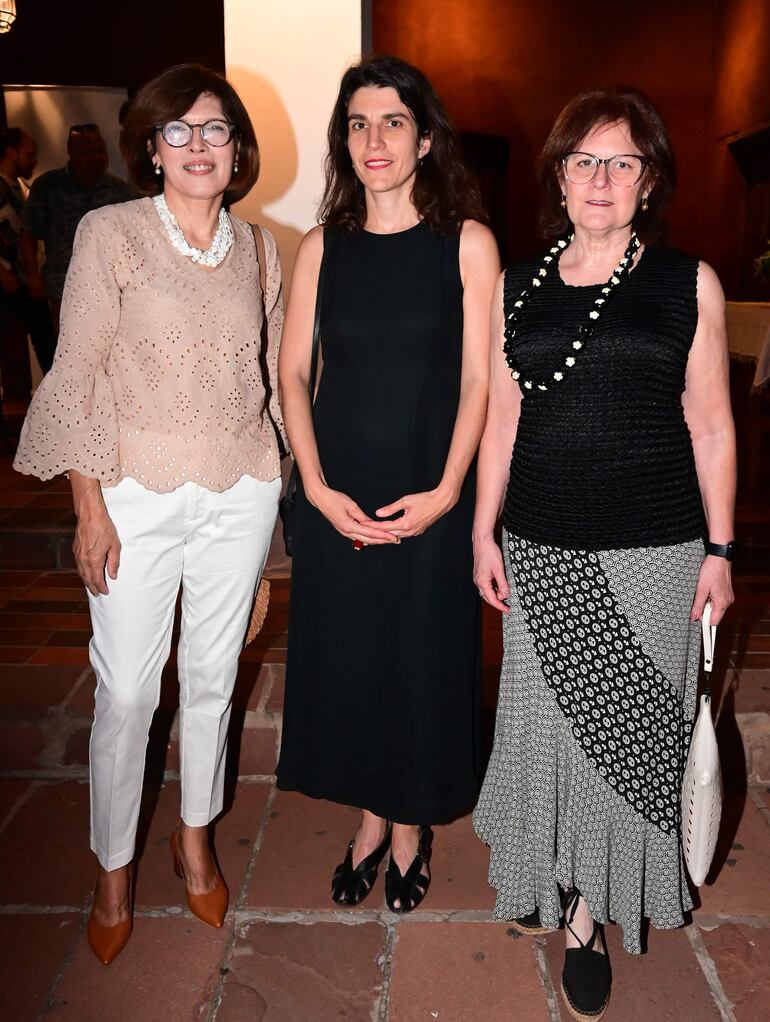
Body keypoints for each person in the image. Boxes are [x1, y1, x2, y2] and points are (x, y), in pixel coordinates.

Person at [472, 86, 736, 1021]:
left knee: (626, 746)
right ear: (558, 174)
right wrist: (483, 531)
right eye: (583, 159)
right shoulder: (519, 283)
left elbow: (710, 427)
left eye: (622, 162)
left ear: (649, 180)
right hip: (543, 546)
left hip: (656, 553)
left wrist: (720, 548)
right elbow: (501, 422)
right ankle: (555, 877)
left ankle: (590, 911)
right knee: (551, 736)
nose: (600, 178)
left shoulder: (685, 282)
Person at [13, 63, 285, 964]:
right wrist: (89, 508)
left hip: (239, 491)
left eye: (216, 130)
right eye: (180, 131)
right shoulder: (111, 232)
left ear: (238, 150)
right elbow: (77, 369)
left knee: (211, 678)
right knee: (130, 690)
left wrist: (277, 522)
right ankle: (113, 866)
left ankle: (196, 837)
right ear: (151, 148)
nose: (199, 145)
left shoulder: (260, 249)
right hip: (133, 490)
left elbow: (272, 385)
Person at [276, 55, 499, 913]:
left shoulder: (468, 243)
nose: (374, 140)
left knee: (420, 657)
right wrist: (317, 486)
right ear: (345, 139)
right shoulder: (322, 246)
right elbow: (294, 374)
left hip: (428, 488)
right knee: (358, 656)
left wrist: (448, 491)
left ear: (426, 137)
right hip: (339, 490)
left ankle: (410, 827)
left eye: (393, 122)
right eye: (358, 123)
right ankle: (371, 819)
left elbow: (481, 382)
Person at [20, 123, 132, 333]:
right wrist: (32, 276)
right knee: (69, 351)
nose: (96, 158)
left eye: (100, 151)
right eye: (88, 153)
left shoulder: (118, 190)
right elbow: (28, 232)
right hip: (64, 286)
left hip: (109, 287)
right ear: (71, 153)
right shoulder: (48, 186)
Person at [0, 127, 58, 374]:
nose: (34, 161)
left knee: (47, 343)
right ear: (10, 152)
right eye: (29, 154)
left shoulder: (20, 188)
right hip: (6, 280)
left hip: (23, 280)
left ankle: (57, 403)